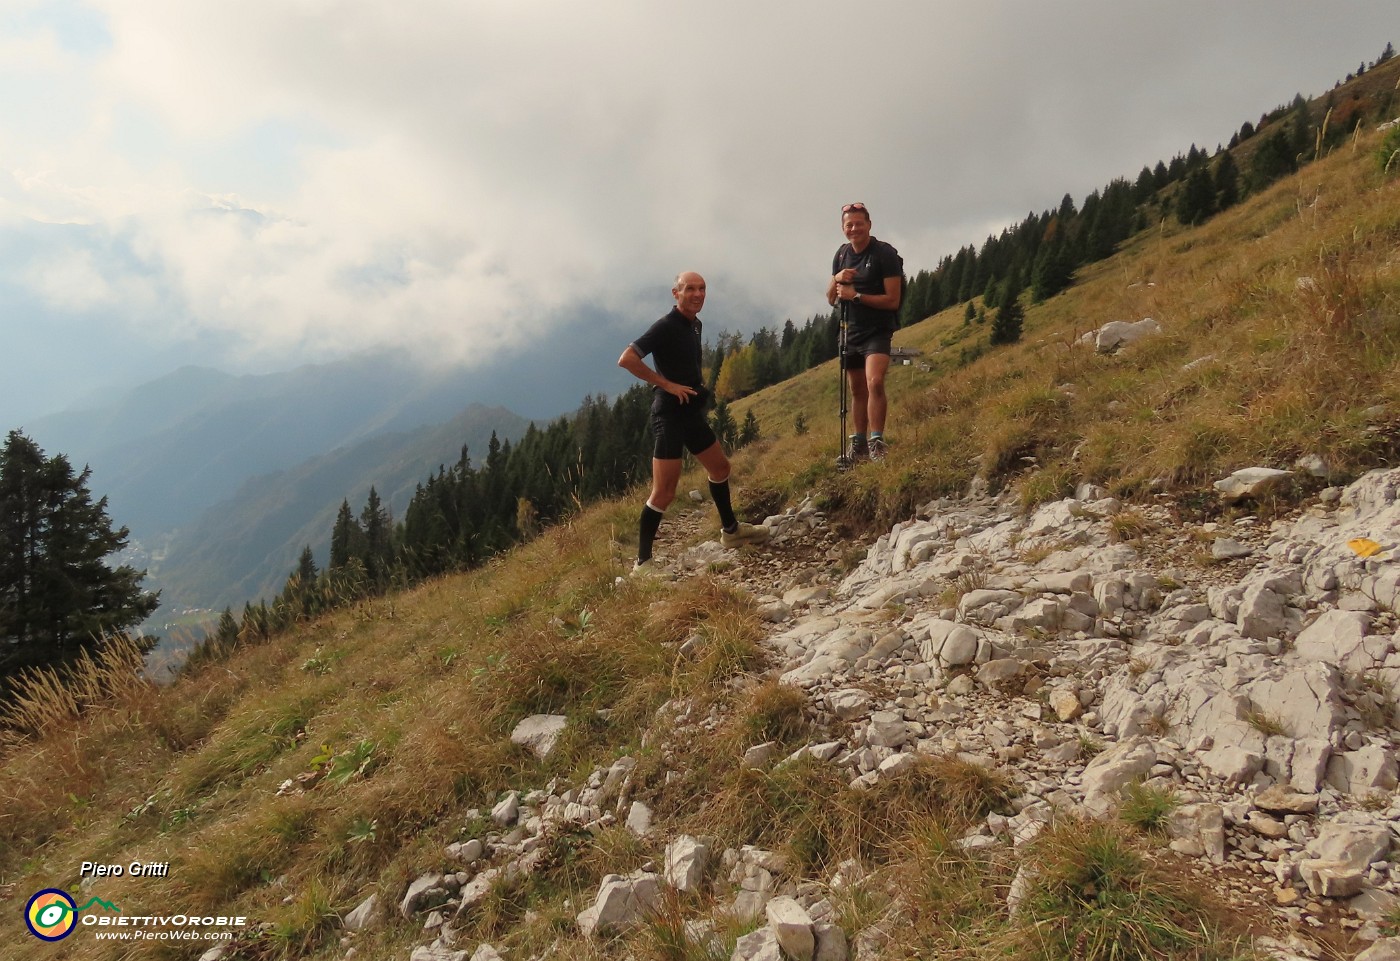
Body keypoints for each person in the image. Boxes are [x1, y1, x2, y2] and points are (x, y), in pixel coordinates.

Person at [618, 271, 769, 570]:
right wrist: (668, 385)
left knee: (721, 467)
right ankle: (642, 564)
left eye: (702, 289)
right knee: (664, 491)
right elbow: (627, 359)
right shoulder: (665, 326)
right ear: (676, 293)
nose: (697, 294)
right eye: (690, 289)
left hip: (688, 412)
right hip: (668, 415)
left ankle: (731, 532)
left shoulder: (694, 324)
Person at [825, 202, 904, 462]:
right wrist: (836, 279)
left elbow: (893, 300)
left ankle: (876, 441)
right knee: (857, 390)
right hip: (850, 332)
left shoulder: (884, 254)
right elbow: (830, 299)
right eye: (849, 224)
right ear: (842, 228)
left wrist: (856, 296)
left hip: (878, 331)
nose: (854, 228)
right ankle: (858, 446)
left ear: (869, 225)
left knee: (875, 382)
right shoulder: (841, 255)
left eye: (859, 223)